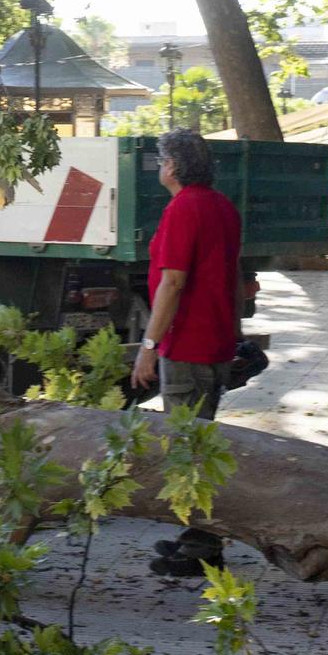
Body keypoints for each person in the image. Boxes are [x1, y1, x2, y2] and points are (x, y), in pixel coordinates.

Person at [132, 127, 242, 579]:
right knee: (197, 440)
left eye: (162, 161)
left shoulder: (183, 209)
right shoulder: (222, 207)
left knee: (188, 449)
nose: (160, 167)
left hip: (187, 345)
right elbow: (232, 277)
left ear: (173, 167)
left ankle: (203, 546)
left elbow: (173, 283)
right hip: (213, 341)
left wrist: (148, 347)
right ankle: (195, 538)